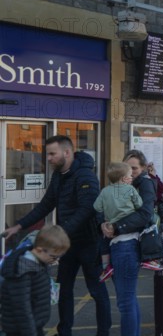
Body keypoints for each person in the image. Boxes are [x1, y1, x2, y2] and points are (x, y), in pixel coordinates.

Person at [2, 135, 112, 336]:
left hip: (88, 243)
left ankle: (104, 332)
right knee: (65, 291)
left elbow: (87, 208)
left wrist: (62, 231)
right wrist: (19, 226)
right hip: (67, 245)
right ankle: (64, 332)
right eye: (48, 154)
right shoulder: (59, 176)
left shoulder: (86, 176)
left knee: (97, 292)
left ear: (67, 153)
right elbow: (46, 204)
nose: (49, 158)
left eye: (53, 154)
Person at [100, 150, 157, 336]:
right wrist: (103, 223)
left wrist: (116, 227)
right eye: (127, 167)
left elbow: (145, 214)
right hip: (118, 244)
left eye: (134, 168)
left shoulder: (145, 184)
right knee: (129, 299)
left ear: (143, 168)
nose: (130, 172)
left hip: (127, 245)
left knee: (125, 302)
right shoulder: (119, 184)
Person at [93, 162, 161, 283]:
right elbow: (139, 204)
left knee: (104, 242)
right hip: (128, 226)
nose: (132, 177)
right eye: (130, 175)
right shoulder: (130, 189)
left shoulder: (105, 191)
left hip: (111, 224)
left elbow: (97, 207)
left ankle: (106, 267)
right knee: (147, 228)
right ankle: (148, 259)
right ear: (124, 178)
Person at [1, 224, 71, 336]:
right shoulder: (24, 271)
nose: (55, 260)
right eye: (54, 257)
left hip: (33, 325)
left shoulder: (38, 262)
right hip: (22, 330)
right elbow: (21, 308)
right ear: (39, 250)